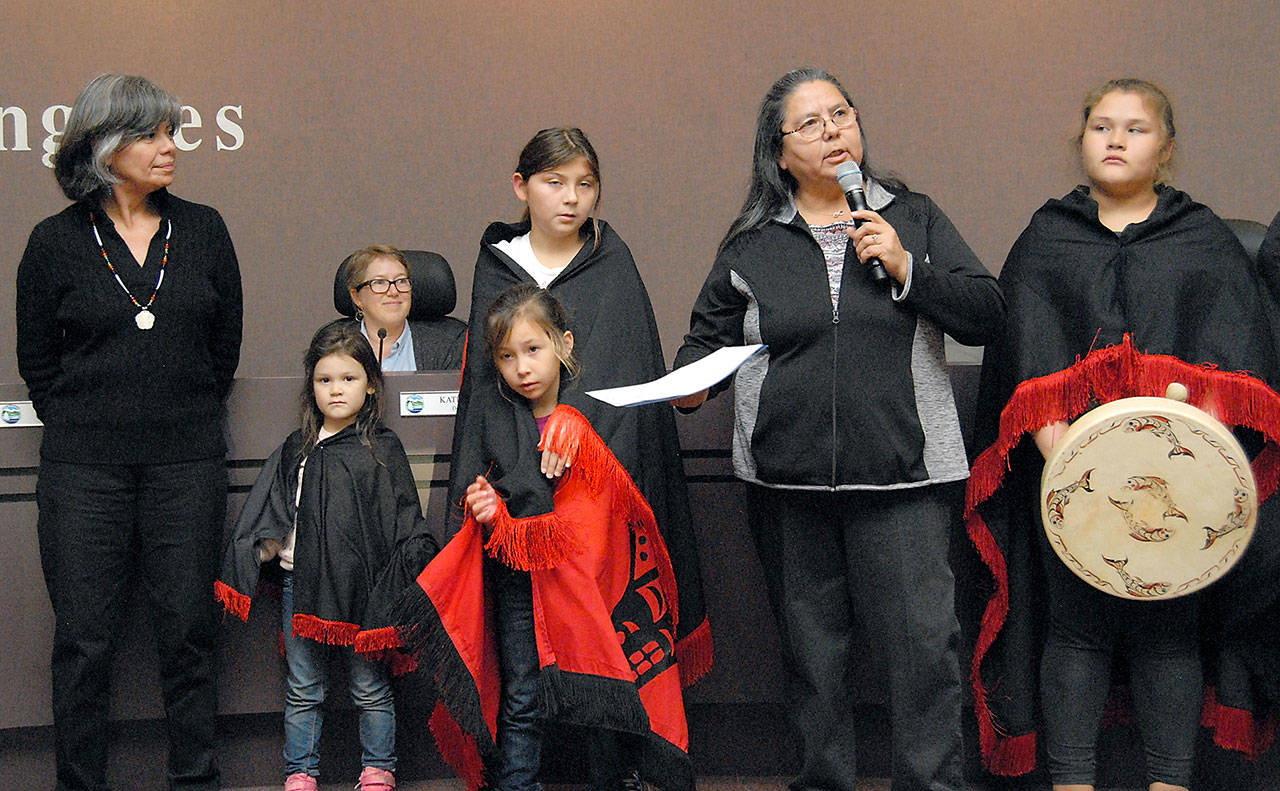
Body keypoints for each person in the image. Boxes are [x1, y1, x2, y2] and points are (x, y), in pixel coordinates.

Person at [673, 67, 1005, 791]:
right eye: (812, 123)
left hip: (906, 475)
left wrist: (908, 267)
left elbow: (987, 311)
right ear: (778, 151)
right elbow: (705, 341)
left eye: (842, 115)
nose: (833, 131)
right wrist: (692, 384)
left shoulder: (910, 216)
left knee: (924, 650)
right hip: (786, 479)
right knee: (811, 656)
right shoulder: (752, 244)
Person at [968, 78, 1280, 791]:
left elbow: (1236, 370)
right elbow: (1025, 371)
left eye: (1135, 129)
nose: (1115, 139)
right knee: (1074, 632)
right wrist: (1085, 467)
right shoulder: (1047, 238)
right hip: (1073, 489)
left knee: (1168, 636)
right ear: (1081, 140)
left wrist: (1173, 460)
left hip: (1184, 495)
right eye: (1101, 126)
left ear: (1166, 150)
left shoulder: (1202, 241)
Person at [432, 127, 711, 788]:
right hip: (518, 516)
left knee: (607, 661)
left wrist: (581, 433)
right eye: (555, 182)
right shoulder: (496, 266)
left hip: (596, 514)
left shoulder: (613, 263)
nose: (572, 198)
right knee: (525, 673)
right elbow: (484, 395)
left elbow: (627, 384)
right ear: (520, 185)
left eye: (585, 184)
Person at [15, 73, 241, 791]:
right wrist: (94, 425)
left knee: (188, 637)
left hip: (186, 465)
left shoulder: (203, 229)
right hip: (84, 472)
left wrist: (176, 417)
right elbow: (39, 363)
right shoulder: (52, 243)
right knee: (83, 644)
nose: (170, 146)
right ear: (103, 146)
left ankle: (195, 780)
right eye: (151, 134)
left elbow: (223, 348)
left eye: (171, 131)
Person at [397, 284, 692, 791]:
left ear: (565, 345)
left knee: (599, 684)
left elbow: (615, 499)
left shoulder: (594, 413)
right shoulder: (492, 414)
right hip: (519, 579)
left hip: (591, 577)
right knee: (524, 693)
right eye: (507, 356)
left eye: (533, 350)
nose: (522, 368)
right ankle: (517, 783)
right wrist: (487, 506)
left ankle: (611, 781)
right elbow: (485, 489)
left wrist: (577, 438)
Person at [216, 321, 436, 791]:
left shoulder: (382, 450)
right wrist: (262, 546)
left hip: (364, 592)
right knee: (303, 688)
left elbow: (403, 524)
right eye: (325, 380)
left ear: (371, 386)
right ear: (311, 386)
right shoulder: (296, 449)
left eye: (349, 378)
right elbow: (276, 511)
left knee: (370, 687)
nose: (336, 389)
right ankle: (301, 774)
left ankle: (379, 770)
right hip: (303, 585)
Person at [338, 244, 466, 370]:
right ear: (357, 297)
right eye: (380, 282)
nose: (393, 292)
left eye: (401, 281)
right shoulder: (333, 346)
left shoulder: (448, 345)